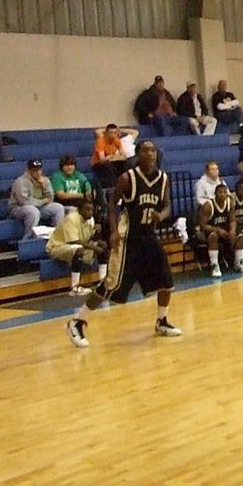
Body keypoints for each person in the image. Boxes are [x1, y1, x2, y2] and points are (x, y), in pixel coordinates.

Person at [66, 140, 182, 347]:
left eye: (153, 150)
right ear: (138, 154)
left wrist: (161, 215)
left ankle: (162, 321)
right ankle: (77, 321)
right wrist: (112, 231)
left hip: (149, 235)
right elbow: (112, 203)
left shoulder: (163, 178)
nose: (150, 153)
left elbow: (167, 205)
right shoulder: (127, 178)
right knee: (111, 284)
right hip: (129, 237)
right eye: (146, 150)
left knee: (167, 281)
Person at [46, 199, 107, 296]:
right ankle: (74, 287)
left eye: (92, 210)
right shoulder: (71, 218)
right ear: (80, 210)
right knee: (79, 250)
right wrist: (95, 248)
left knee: (103, 246)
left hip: (76, 246)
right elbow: (74, 240)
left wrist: (98, 235)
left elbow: (89, 239)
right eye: (87, 209)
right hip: (57, 247)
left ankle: (102, 282)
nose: (90, 212)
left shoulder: (90, 220)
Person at [197, 182, 243, 277]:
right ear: (215, 193)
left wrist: (232, 230)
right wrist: (218, 230)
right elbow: (202, 225)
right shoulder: (209, 205)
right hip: (209, 230)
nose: (222, 194)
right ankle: (214, 265)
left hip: (224, 229)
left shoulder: (229, 203)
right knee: (213, 236)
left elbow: (232, 220)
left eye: (224, 192)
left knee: (239, 234)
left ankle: (239, 262)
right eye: (220, 192)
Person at [9, 160, 64, 242]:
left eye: (39, 170)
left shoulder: (45, 180)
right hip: (18, 208)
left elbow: (50, 198)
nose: (37, 172)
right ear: (28, 170)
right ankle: (28, 240)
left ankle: (57, 237)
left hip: (40, 207)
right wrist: (43, 201)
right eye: (34, 170)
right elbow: (24, 202)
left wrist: (44, 186)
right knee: (33, 211)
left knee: (58, 207)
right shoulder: (20, 181)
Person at [91, 124, 139, 189]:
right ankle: (113, 188)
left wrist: (112, 157)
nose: (113, 135)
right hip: (97, 163)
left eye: (114, 133)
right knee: (109, 166)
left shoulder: (117, 140)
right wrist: (114, 158)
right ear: (106, 133)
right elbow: (102, 159)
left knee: (126, 163)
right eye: (111, 133)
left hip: (111, 161)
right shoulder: (101, 141)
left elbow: (124, 156)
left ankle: (127, 185)